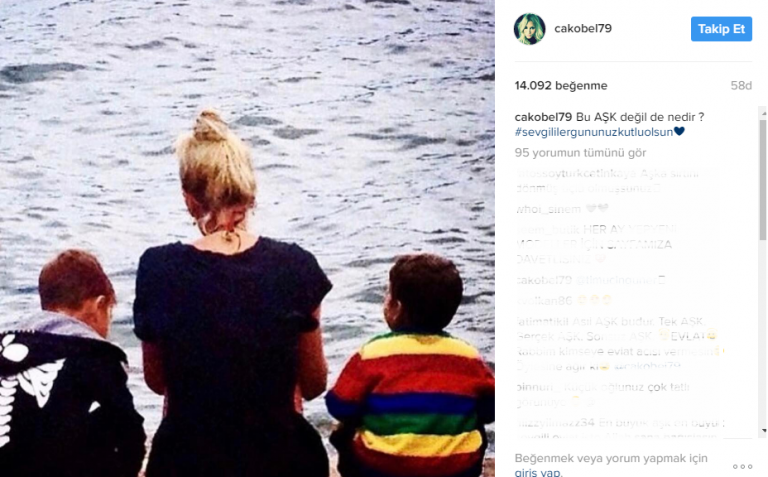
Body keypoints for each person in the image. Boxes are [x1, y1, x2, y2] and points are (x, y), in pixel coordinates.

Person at [133, 109, 332, 477]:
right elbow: (314, 384)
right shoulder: (296, 266)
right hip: (281, 459)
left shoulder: (158, 268)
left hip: (187, 461)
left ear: (190, 200)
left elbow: (157, 382)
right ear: (248, 193)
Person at [326, 253, 495, 477]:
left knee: (344, 431)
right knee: (475, 422)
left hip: (380, 471)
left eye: (387, 293)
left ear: (396, 306)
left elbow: (339, 406)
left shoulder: (372, 353)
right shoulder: (468, 357)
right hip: (455, 472)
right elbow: (490, 410)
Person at [0, 250, 146, 477]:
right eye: (109, 312)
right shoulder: (97, 357)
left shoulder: (5, 346)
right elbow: (131, 441)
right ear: (99, 305)